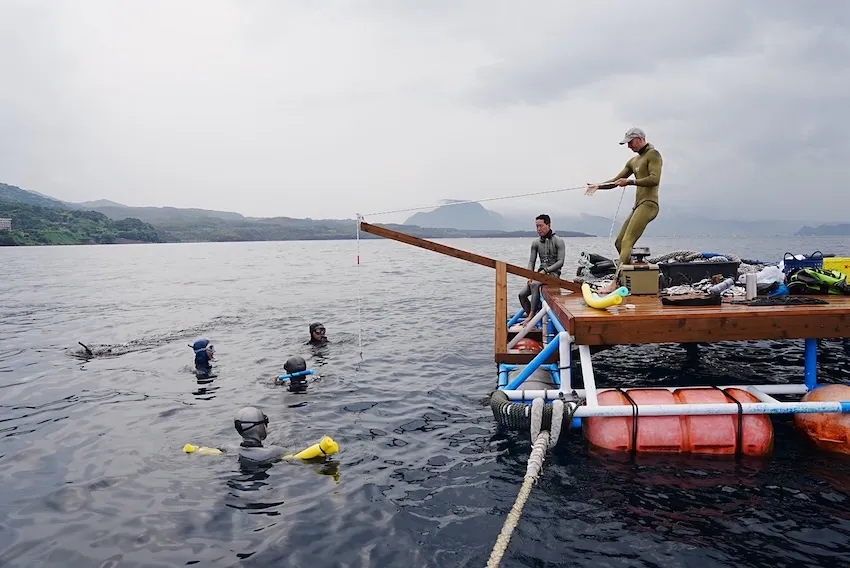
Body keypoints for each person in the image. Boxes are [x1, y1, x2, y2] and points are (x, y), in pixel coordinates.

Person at [586, 127, 663, 294]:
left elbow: (654, 179)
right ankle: (629, 281)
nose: (629, 146)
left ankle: (615, 283)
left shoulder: (653, 155)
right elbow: (615, 181)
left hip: (649, 204)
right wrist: (598, 186)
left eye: (631, 142)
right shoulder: (633, 161)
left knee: (628, 241)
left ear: (641, 138)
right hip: (638, 205)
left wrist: (630, 183)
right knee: (619, 242)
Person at [518, 214, 565, 324]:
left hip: (553, 275)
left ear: (548, 225)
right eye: (537, 226)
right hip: (540, 274)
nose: (539, 229)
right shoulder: (536, 243)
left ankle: (531, 315)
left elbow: (560, 262)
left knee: (535, 284)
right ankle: (533, 319)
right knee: (522, 294)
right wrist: (529, 275)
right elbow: (531, 261)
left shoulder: (558, 241)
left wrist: (546, 271)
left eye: (541, 226)